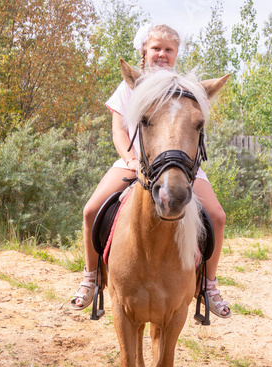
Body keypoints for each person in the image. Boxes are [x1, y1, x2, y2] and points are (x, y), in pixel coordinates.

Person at [71, 24, 231, 318]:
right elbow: (120, 132)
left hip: (177, 165)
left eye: (169, 49)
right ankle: (91, 276)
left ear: (176, 54)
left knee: (217, 216)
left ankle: (209, 284)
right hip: (135, 161)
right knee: (91, 210)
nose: (162, 54)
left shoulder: (183, 87)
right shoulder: (129, 85)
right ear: (144, 50)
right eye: (156, 47)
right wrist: (131, 160)